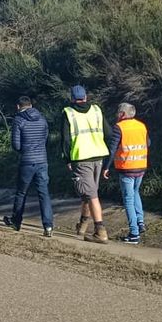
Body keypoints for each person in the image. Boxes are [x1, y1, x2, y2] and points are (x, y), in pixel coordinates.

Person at [62, 85, 110, 243]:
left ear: (72, 98)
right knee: (89, 194)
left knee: (91, 195)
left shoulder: (68, 113)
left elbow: (66, 140)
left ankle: (100, 230)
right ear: (86, 97)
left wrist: (67, 159)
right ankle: (82, 224)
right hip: (98, 156)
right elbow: (108, 132)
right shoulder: (96, 110)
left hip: (81, 157)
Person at [2, 95, 54, 237]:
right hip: (42, 160)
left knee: (21, 192)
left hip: (27, 161)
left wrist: (24, 151)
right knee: (44, 193)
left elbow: (16, 144)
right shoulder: (42, 119)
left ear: (18, 107)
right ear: (31, 105)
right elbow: (46, 139)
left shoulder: (19, 120)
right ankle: (48, 226)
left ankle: (16, 221)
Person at [104, 102, 149, 243]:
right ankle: (140, 222)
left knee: (128, 199)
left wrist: (106, 167)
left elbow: (112, 149)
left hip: (126, 168)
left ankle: (134, 233)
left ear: (122, 114)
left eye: (118, 112)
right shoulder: (141, 126)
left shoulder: (119, 127)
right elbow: (148, 143)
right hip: (141, 166)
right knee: (135, 193)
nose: (116, 115)